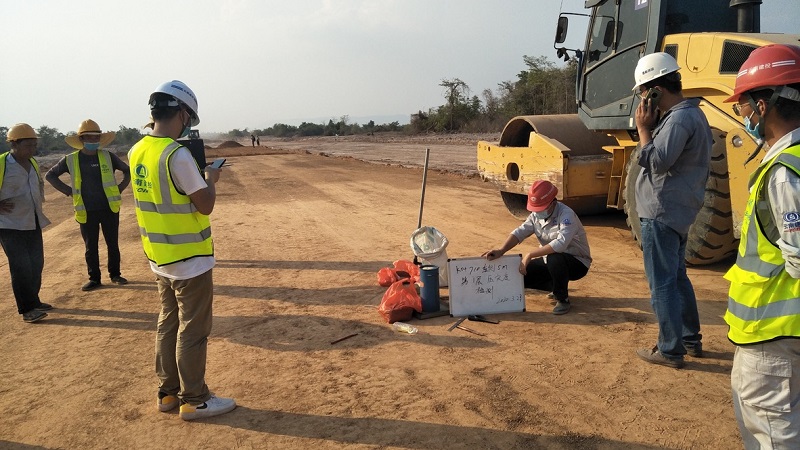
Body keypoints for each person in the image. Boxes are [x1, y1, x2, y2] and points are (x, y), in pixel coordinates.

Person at [128, 80, 235, 421]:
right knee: (193, 329)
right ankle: (195, 400)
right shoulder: (177, 155)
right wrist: (211, 179)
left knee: (168, 323)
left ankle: (167, 393)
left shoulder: (136, 150)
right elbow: (204, 204)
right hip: (189, 260)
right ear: (183, 114)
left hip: (159, 256)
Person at [723, 44, 800, 449]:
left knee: (772, 435)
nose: (743, 114)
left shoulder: (784, 173)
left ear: (763, 104)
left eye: (743, 105)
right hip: (781, 336)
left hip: (773, 337)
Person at [631, 52, 712, 369]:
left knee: (662, 284)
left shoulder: (678, 119)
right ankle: (690, 340)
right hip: (676, 210)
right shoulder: (692, 115)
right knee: (677, 278)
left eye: (642, 92)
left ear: (655, 90)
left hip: (661, 213)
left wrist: (643, 129)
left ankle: (669, 350)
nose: (641, 100)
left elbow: (657, 161)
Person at [482, 180, 591, 315]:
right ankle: (555, 285)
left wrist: (530, 255)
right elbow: (520, 232)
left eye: (541, 208)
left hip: (577, 262)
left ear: (553, 203)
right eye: (535, 209)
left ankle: (562, 298)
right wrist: (501, 250)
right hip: (550, 261)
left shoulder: (566, 215)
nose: (537, 212)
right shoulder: (535, 216)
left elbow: (560, 244)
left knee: (554, 258)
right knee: (522, 275)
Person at [46, 119, 130, 291]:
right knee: (90, 247)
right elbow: (50, 175)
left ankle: (115, 274)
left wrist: (120, 188)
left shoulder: (108, 156)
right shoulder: (71, 159)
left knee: (112, 244)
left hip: (109, 208)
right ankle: (94, 278)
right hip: (86, 210)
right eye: (89, 137)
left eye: (96, 137)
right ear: (81, 139)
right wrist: (68, 191)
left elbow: (127, 170)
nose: (93, 140)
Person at [0, 123, 52, 323]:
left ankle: (34, 301)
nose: (32, 149)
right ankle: (27, 309)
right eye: (28, 145)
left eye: (34, 145)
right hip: (9, 225)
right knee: (20, 266)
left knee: (36, 264)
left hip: (33, 220)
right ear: (14, 144)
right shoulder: (3, 164)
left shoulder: (33, 163)